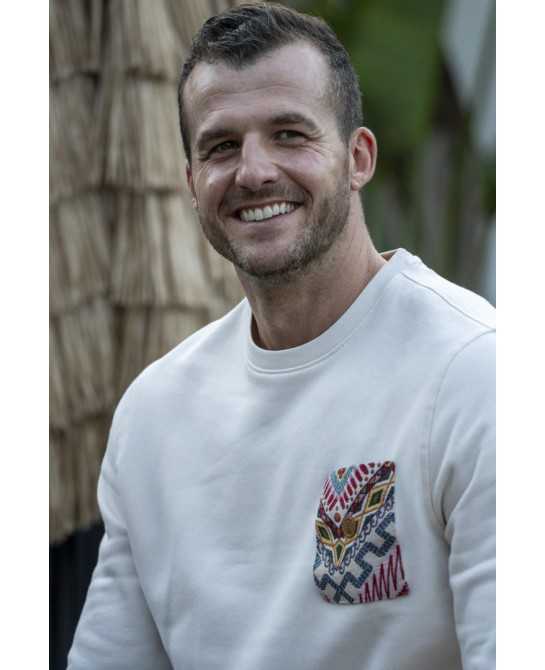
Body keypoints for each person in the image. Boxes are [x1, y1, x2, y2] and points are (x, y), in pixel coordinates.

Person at [68, 3, 495, 669]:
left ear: (357, 158)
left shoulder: (474, 371)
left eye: (289, 134)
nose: (254, 171)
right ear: (191, 183)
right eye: (220, 146)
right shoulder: (153, 412)